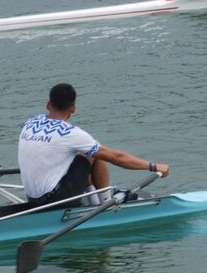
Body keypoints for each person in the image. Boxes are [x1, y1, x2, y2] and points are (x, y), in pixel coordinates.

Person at [18, 83, 170, 207]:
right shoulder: (70, 133)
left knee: (79, 151)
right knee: (95, 149)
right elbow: (117, 157)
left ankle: (93, 198)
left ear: (48, 105)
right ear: (73, 108)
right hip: (55, 201)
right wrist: (154, 167)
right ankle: (106, 202)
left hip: (32, 199)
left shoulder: (30, 122)